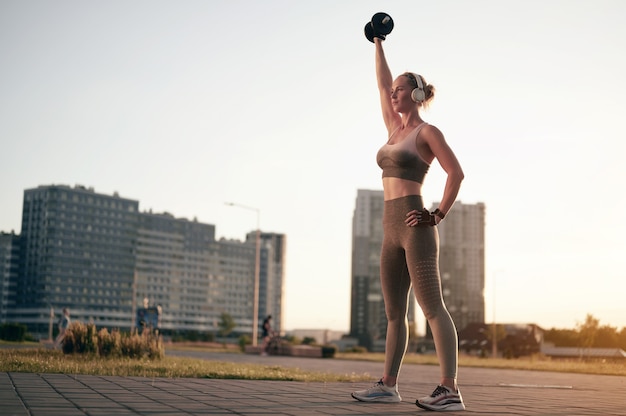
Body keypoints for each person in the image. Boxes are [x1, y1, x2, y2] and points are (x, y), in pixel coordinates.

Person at [351, 34, 466, 412]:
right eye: (394, 89)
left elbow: (456, 174)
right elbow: (382, 83)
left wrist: (437, 215)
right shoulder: (392, 129)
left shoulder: (427, 133)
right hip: (389, 229)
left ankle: (449, 389)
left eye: (402, 89)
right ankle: (388, 385)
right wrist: (378, 43)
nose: (393, 93)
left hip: (416, 224)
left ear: (416, 95)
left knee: (432, 307)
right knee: (394, 313)